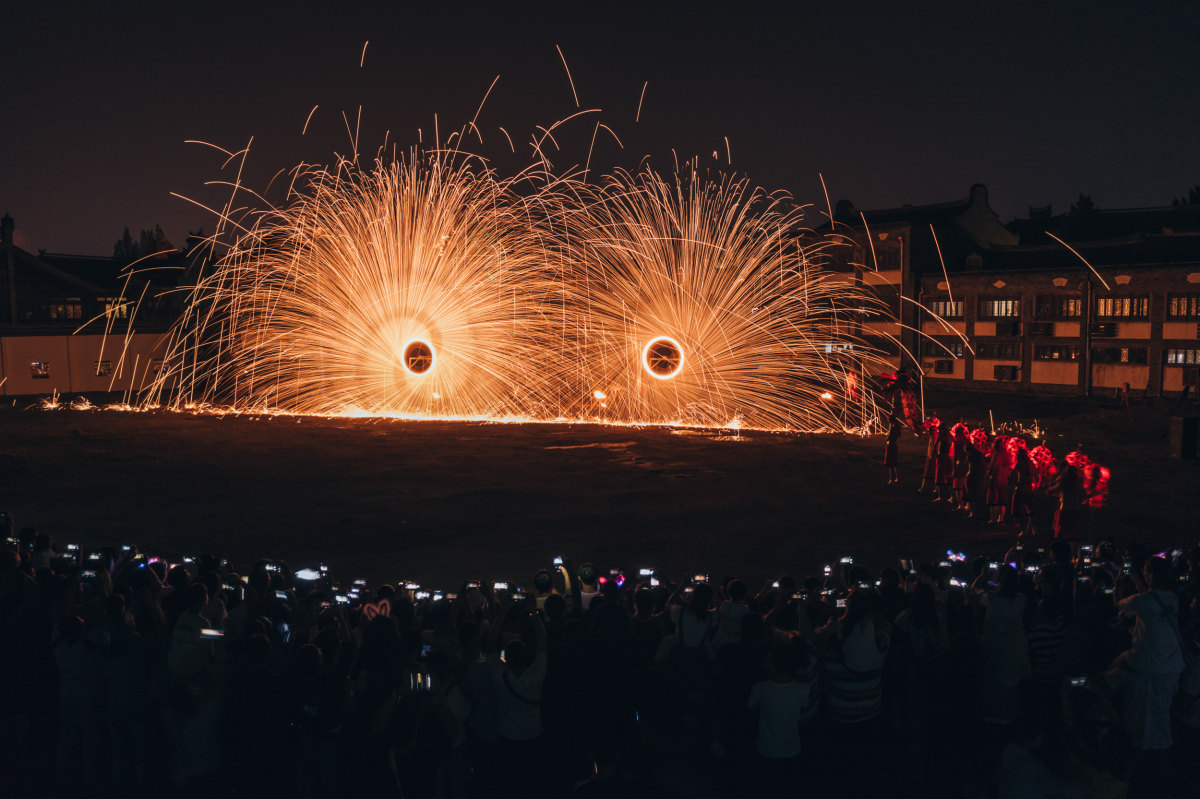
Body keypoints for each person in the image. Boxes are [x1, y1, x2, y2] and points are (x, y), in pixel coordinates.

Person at [1102, 557, 1185, 752]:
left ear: (1149, 574)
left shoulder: (1141, 601)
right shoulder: (1172, 598)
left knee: (1141, 714)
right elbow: (1150, 597)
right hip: (1171, 663)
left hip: (1146, 663)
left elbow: (1118, 604)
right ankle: (1162, 749)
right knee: (1160, 714)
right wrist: (1136, 578)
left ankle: (1138, 749)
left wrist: (1116, 583)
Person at [985, 436, 1012, 525]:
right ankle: (1001, 518)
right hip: (1004, 479)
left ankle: (993, 518)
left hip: (995, 479)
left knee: (993, 499)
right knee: (1002, 499)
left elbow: (993, 467)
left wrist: (987, 476)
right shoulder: (1007, 455)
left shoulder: (996, 455)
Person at [884, 415, 901, 485]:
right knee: (894, 463)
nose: (887, 419)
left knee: (890, 463)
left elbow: (889, 436)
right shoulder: (895, 427)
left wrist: (886, 437)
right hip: (893, 445)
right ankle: (896, 478)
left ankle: (891, 479)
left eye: (888, 419)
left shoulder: (892, 427)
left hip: (890, 445)